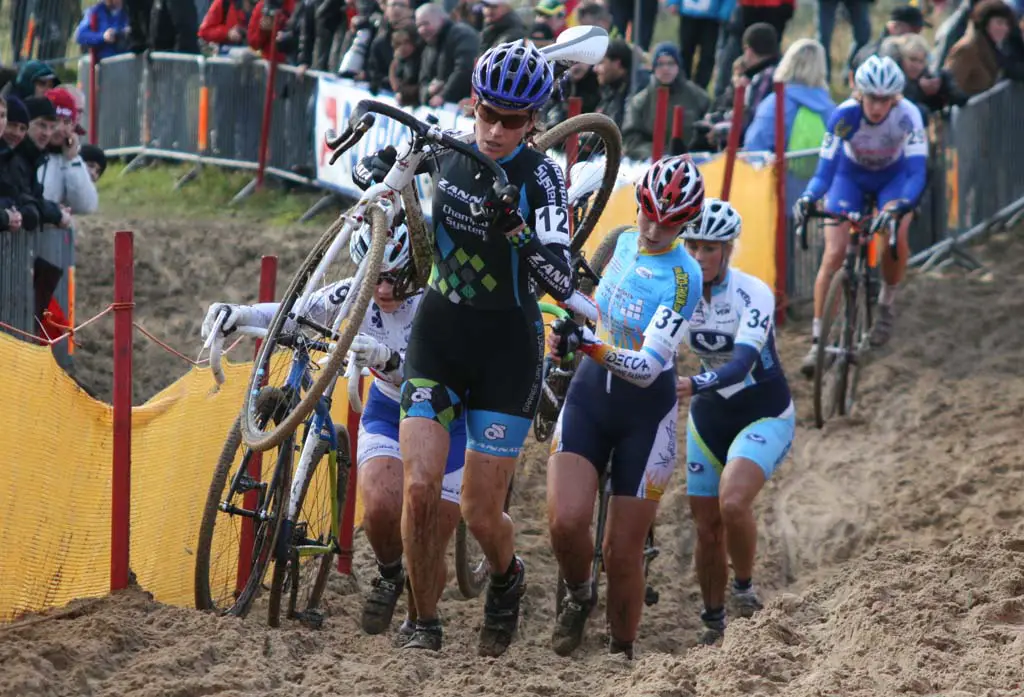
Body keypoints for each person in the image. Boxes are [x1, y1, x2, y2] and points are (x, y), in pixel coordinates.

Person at [354, 39, 582, 656]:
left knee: (482, 514)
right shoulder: (447, 147)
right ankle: (422, 623)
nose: (496, 129)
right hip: (440, 333)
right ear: (472, 103)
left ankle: (507, 579)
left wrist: (520, 234)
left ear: (534, 122)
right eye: (488, 113)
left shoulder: (542, 179)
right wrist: (375, 171)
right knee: (421, 490)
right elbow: (388, 169)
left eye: (513, 120)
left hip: (508, 347)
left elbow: (562, 279)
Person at [200, 221, 468, 642]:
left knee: (428, 538)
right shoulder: (358, 291)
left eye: (393, 279)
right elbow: (299, 311)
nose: (381, 290)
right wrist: (241, 314)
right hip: (386, 406)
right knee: (380, 509)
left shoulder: (441, 301)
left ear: (417, 270)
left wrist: (393, 360)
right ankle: (389, 572)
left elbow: (452, 368)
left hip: (444, 414)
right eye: (373, 276)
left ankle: (420, 620)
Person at [545, 155, 705, 659]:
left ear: (686, 224)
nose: (655, 228)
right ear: (638, 202)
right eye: (648, 213)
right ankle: (576, 594)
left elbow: (648, 367)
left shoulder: (684, 277)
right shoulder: (621, 241)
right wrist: (570, 326)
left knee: (620, 553)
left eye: (670, 221)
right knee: (565, 522)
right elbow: (600, 310)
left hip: (644, 411)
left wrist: (588, 345)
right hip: (591, 395)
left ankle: (621, 652)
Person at [678, 197, 795, 645]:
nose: (700, 257)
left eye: (710, 248)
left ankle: (744, 587)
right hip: (709, 417)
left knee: (731, 503)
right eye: (693, 246)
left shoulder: (753, 292)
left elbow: (744, 362)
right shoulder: (679, 290)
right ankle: (712, 620)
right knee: (706, 528)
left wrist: (693, 383)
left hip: (762, 409)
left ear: (727, 249)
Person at [793, 55, 927, 375]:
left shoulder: (908, 115)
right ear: (859, 94)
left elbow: (917, 172)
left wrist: (901, 205)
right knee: (834, 252)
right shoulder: (844, 116)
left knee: (895, 235)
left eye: (884, 100)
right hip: (849, 177)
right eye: (871, 98)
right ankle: (818, 342)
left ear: (895, 98)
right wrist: (810, 196)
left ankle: (886, 304)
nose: (877, 107)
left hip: (892, 180)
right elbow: (824, 171)